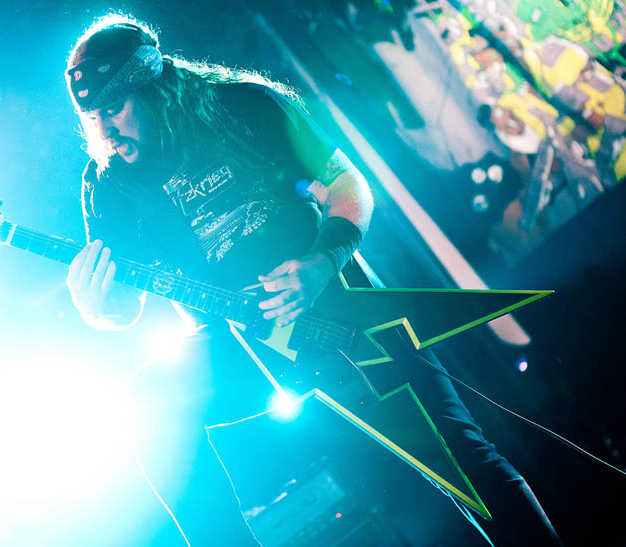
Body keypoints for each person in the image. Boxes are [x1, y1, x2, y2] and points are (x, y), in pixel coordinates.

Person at [64, 14, 561, 546]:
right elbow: (121, 305)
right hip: (246, 342)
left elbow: (347, 183)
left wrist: (323, 261)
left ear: (155, 85)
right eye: (92, 116)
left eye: (114, 108)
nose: (105, 128)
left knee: (464, 463)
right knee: (146, 405)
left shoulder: (245, 105)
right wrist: (95, 308)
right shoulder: (109, 187)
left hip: (340, 313)